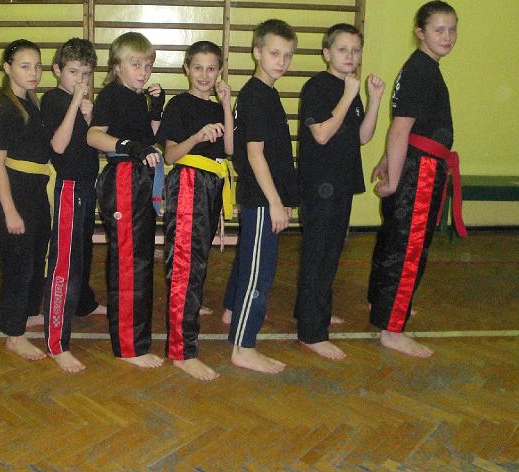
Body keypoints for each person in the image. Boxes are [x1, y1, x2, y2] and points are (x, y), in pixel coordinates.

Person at [368, 0, 463, 358]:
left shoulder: (420, 67)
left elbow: (406, 128)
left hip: (416, 163)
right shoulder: (421, 70)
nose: (448, 36)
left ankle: (385, 304)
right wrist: (394, 179)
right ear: (420, 32)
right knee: (409, 248)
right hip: (419, 171)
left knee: (395, 239)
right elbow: (399, 128)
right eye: (439, 29)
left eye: (452, 29)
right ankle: (392, 329)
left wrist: (386, 162)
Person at [294, 23, 384, 360]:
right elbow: (321, 135)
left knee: (330, 254)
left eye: (355, 50)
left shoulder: (350, 88)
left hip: (341, 183)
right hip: (320, 185)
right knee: (318, 255)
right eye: (343, 49)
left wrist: (374, 100)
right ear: (326, 53)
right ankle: (312, 332)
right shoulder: (317, 87)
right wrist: (348, 96)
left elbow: (362, 136)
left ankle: (312, 312)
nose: (350, 56)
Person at [221, 19, 300, 374]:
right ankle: (243, 347)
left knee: (249, 264)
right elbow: (255, 155)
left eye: (287, 55)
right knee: (259, 274)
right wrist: (275, 203)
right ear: (257, 52)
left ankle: (232, 313)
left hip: (265, 198)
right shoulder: (256, 96)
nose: (281, 61)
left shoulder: (265, 93)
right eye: (274, 53)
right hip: (261, 200)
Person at [87, 31, 165, 369]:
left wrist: (156, 110)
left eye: (147, 65)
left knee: (140, 260)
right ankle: (130, 348)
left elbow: (150, 138)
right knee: (129, 263)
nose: (143, 72)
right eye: (136, 65)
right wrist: (126, 146)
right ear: (117, 65)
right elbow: (93, 135)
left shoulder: (136, 97)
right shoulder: (112, 94)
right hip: (122, 179)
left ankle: (136, 340)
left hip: (140, 179)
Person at [159, 40, 233, 381]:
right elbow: (170, 155)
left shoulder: (218, 107)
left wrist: (227, 105)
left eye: (211, 68)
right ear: (187, 68)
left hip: (212, 185)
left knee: (196, 265)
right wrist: (198, 136)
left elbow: (228, 149)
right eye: (198, 67)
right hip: (189, 183)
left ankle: (185, 333)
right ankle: (182, 352)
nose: (204, 75)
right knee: (184, 267)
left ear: (220, 71)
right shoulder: (178, 105)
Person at [40, 38, 106, 373]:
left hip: (86, 187)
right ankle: (56, 342)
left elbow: (94, 147)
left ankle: (83, 304)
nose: (80, 79)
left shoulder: (80, 103)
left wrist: (90, 116)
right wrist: (76, 103)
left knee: (82, 254)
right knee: (64, 264)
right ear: (57, 70)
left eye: (86, 73)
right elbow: (59, 146)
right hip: (68, 188)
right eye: (73, 72)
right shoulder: (54, 99)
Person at [0, 39, 51, 361]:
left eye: (37, 66)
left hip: (36, 190)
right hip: (15, 193)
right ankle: (14, 334)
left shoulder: (31, 103)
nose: (33, 72)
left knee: (35, 258)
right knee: (19, 265)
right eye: (25, 66)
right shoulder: (5, 109)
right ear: (7, 68)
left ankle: (26, 313)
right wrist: (10, 211)